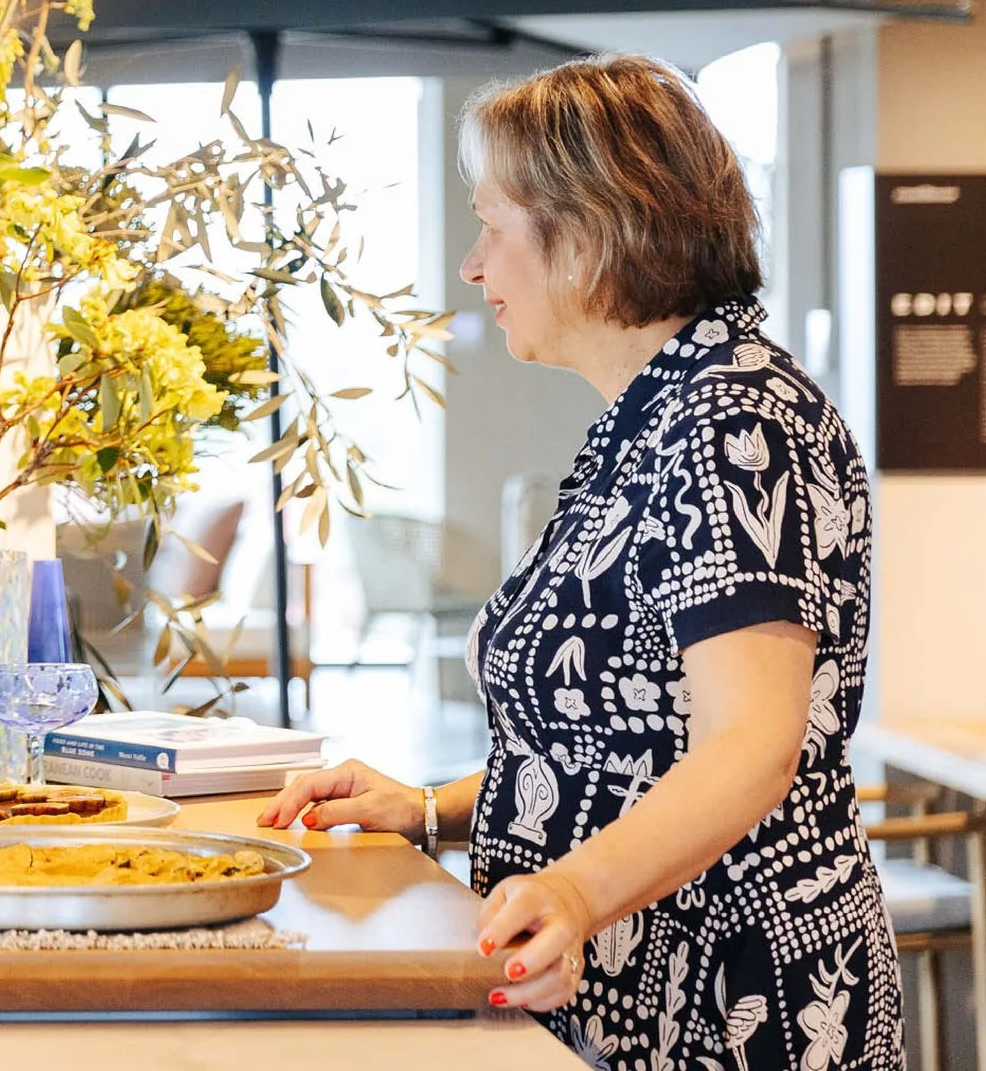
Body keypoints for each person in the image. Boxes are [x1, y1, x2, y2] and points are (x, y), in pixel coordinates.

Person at [260, 55, 901, 1068]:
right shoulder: (652, 417)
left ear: (589, 234)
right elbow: (621, 743)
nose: (473, 266)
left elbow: (750, 745)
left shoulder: (729, 420)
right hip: (632, 970)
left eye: (493, 227)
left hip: (724, 991)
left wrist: (568, 889)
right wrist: (431, 807)